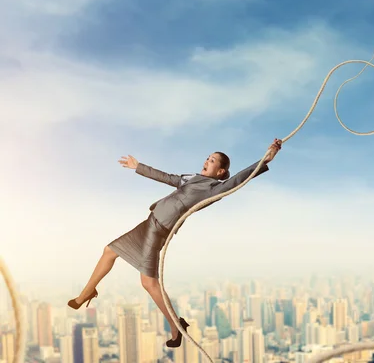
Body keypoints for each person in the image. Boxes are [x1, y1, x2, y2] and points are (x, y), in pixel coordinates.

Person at [67, 139, 283, 348]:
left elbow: (239, 179)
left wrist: (266, 159)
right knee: (109, 251)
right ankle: (87, 293)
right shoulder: (192, 180)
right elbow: (167, 177)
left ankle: (176, 326)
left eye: (212, 160)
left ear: (221, 172)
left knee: (149, 284)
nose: (207, 160)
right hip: (149, 223)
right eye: (207, 158)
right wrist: (138, 167)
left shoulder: (213, 189)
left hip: (158, 230)